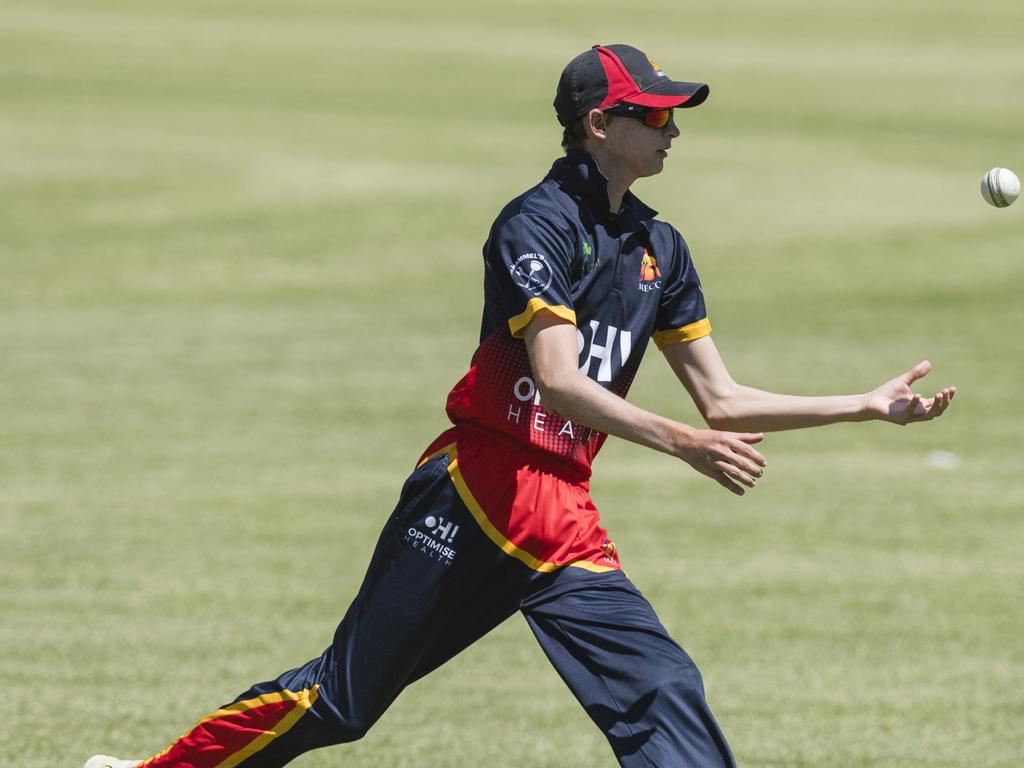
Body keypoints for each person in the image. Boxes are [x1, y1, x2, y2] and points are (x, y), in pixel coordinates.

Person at [85, 43, 955, 768]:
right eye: (652, 116)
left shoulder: (662, 246)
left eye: (672, 115)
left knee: (662, 686)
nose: (673, 129)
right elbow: (559, 378)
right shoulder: (534, 224)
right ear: (597, 125)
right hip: (478, 489)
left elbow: (722, 400)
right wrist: (676, 442)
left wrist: (865, 406)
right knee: (342, 703)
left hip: (562, 514)